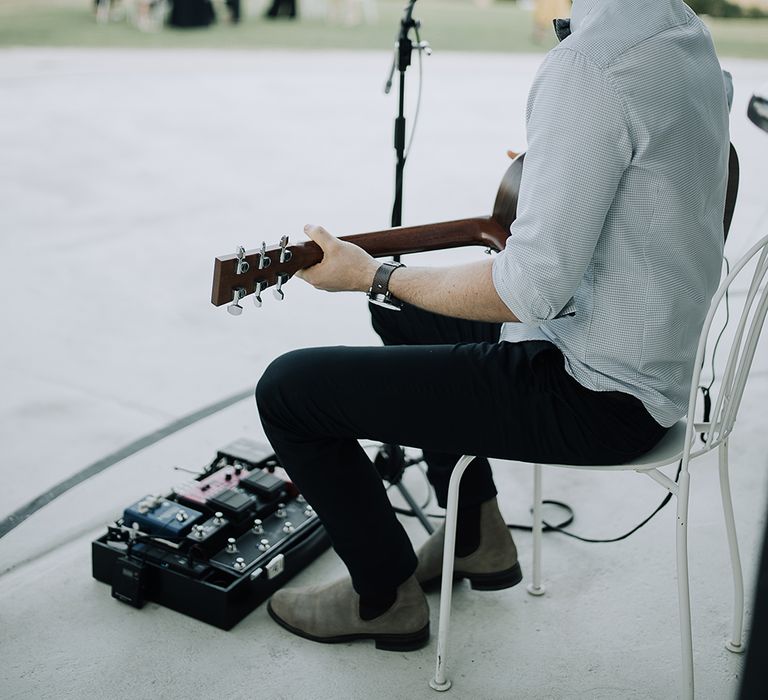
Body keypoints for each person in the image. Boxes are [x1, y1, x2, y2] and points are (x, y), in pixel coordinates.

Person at [256, 0, 732, 651]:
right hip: (643, 357)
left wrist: (375, 274)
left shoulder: (589, 67)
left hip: (594, 393)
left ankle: (382, 596)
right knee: (403, 316)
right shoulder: (682, 32)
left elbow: (526, 289)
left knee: (289, 390)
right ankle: (475, 532)